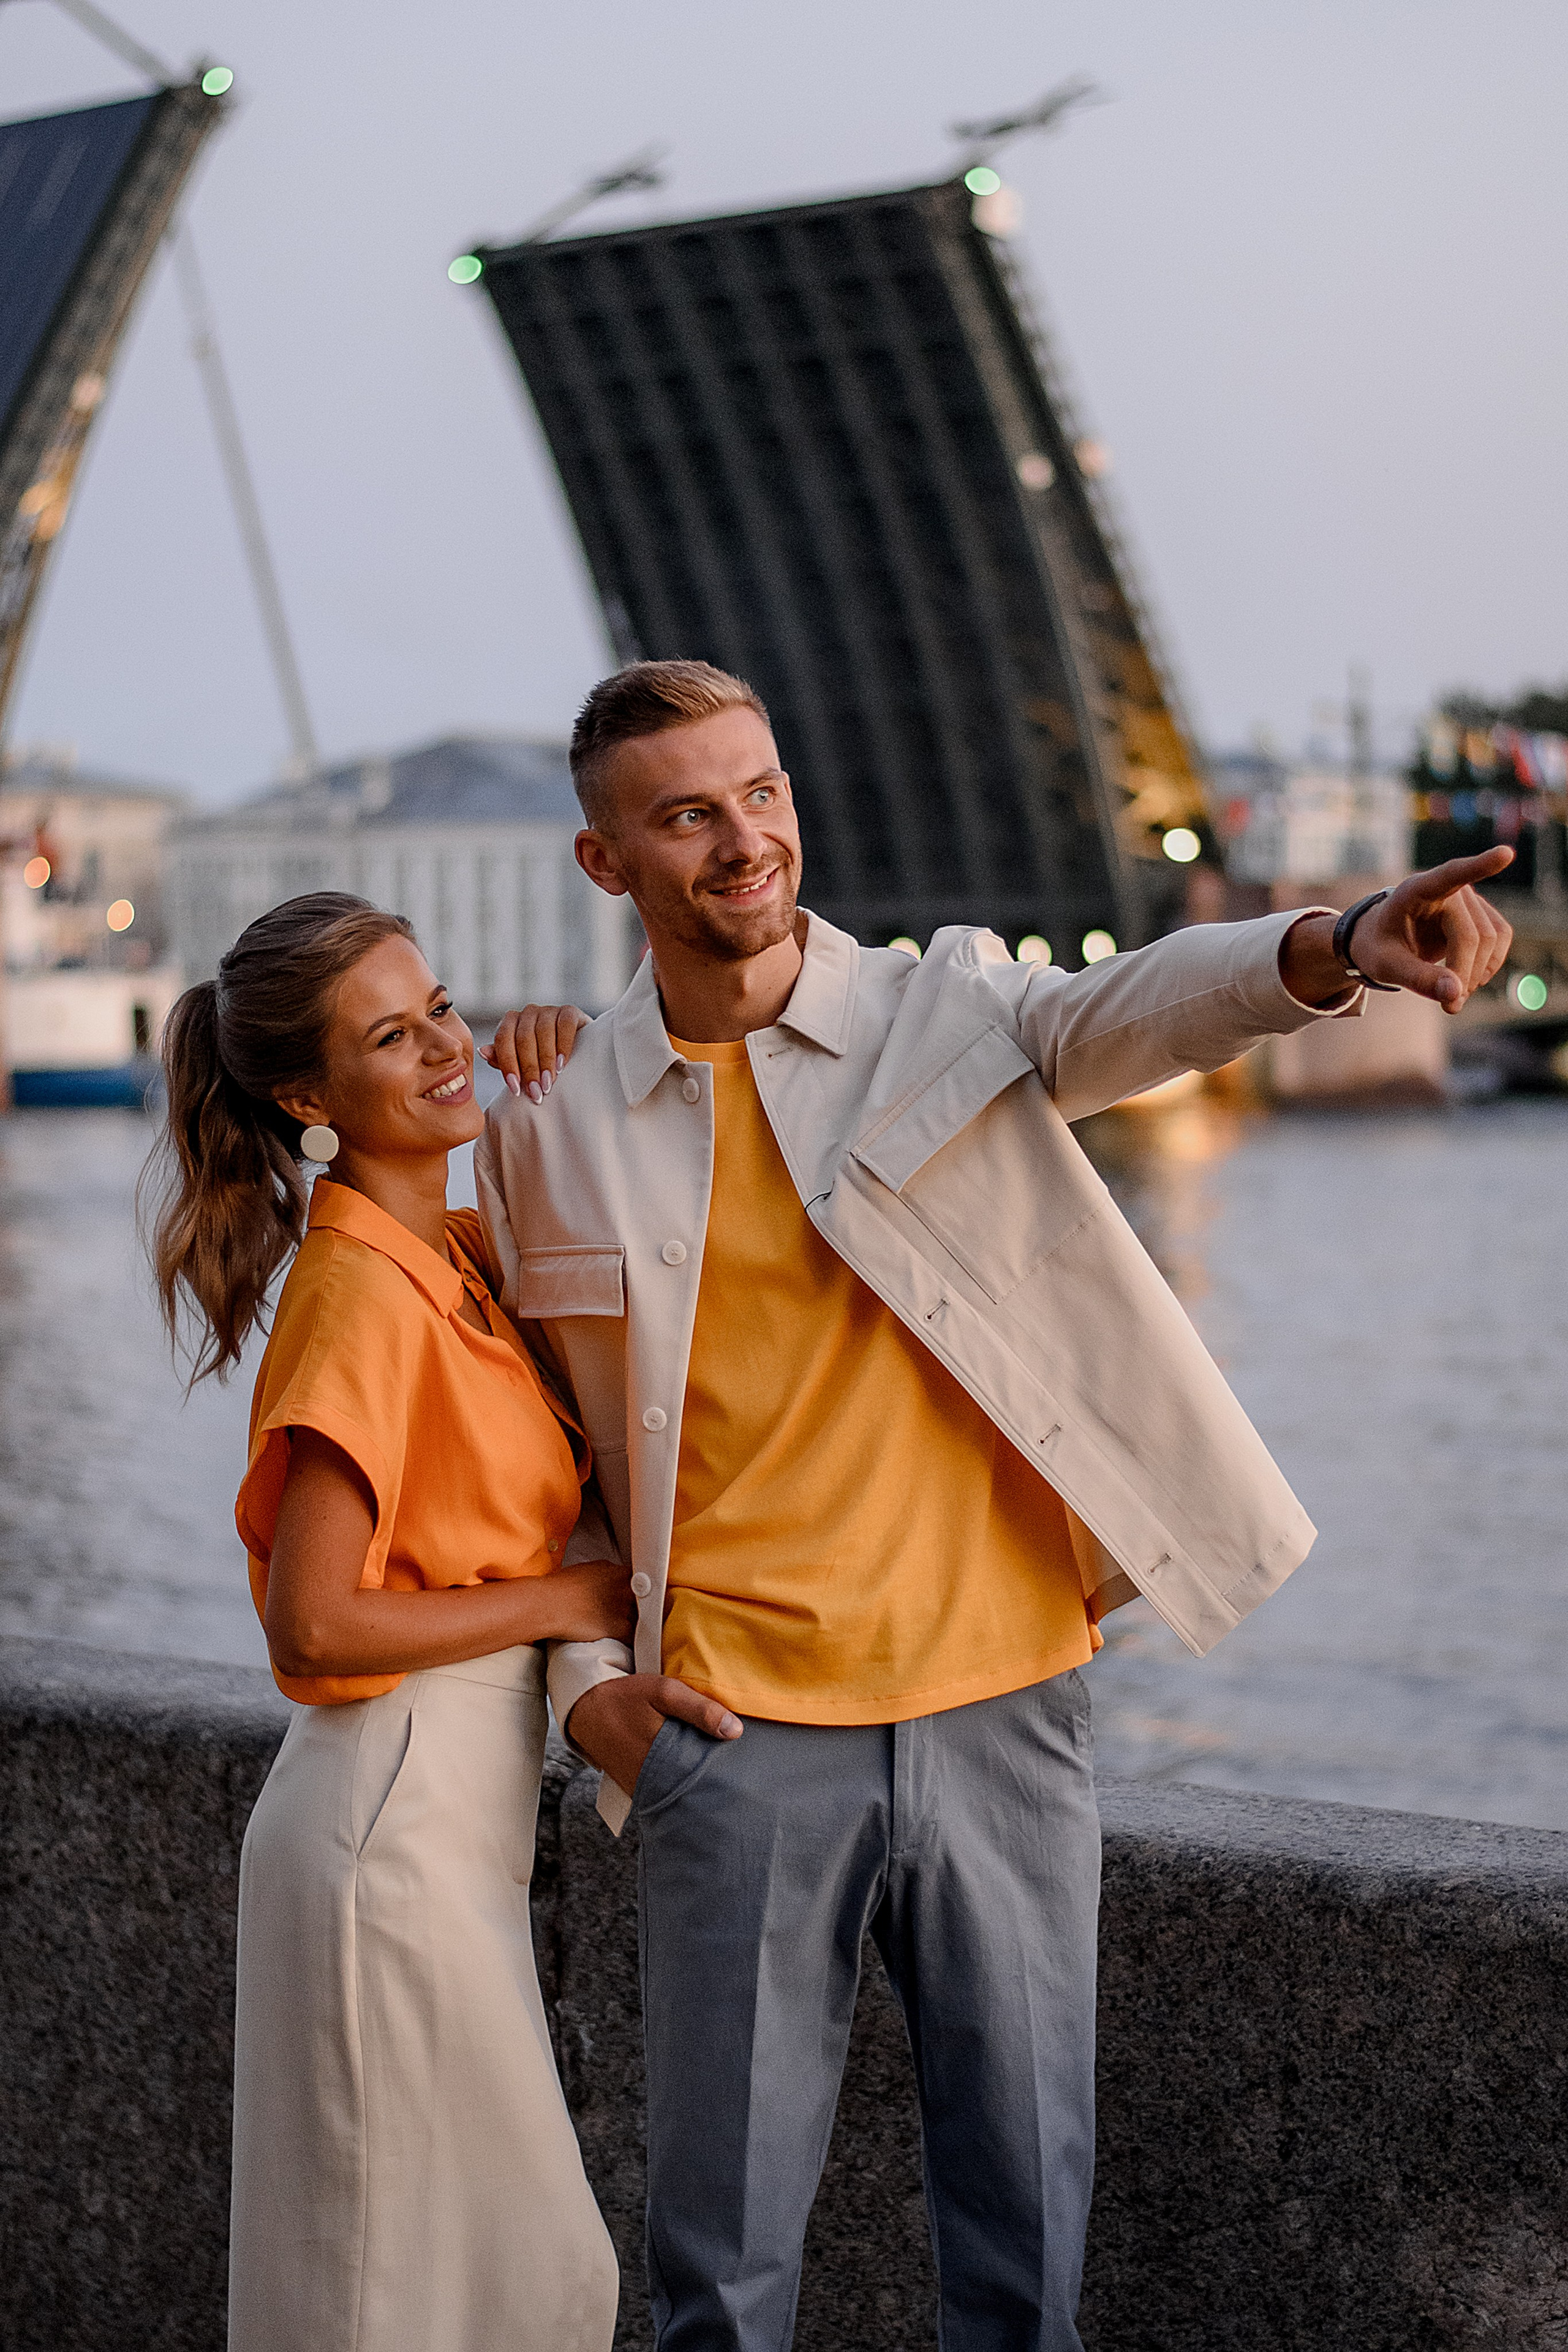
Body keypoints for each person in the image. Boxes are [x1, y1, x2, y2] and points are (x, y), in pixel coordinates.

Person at [477, 660, 1513, 2352]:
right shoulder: (551, 1122)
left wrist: (1333, 943)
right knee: (716, 2280)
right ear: (607, 863)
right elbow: (536, 1455)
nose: (745, 841)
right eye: (687, 816)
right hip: (734, 1739)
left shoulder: (940, 1006)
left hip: (1004, 1709)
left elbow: (1138, 1006)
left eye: (762, 793)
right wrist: (591, 1691)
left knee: (1026, 2252)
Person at [143, 892, 657, 2352]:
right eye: (390, 1037)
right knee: (436, 2299)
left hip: (442, 1825)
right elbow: (310, 1629)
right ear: (309, 1101)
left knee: (516, 2290)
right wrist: (569, 1599)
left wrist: (585, 1059)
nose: (443, 1046)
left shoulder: (456, 1257)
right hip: (387, 1827)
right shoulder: (359, 1292)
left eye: (439, 1007)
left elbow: (651, 1233)